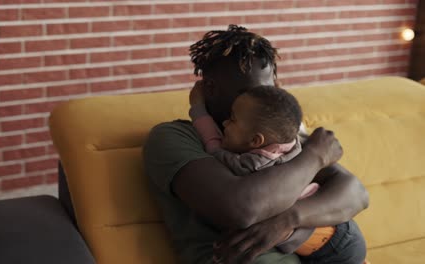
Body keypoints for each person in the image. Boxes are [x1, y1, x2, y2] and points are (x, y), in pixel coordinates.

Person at [143, 25, 369, 264]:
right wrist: (314, 156)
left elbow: (356, 194)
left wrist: (288, 220)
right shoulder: (173, 138)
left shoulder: (275, 133)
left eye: (269, 89)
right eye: (252, 91)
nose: (266, 101)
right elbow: (241, 209)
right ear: (210, 89)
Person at [189, 81, 367, 264]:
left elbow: (213, 143)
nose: (225, 122)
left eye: (232, 119)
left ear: (256, 140)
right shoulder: (296, 145)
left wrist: (198, 109)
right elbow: (295, 127)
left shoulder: (250, 165)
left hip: (336, 244)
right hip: (337, 235)